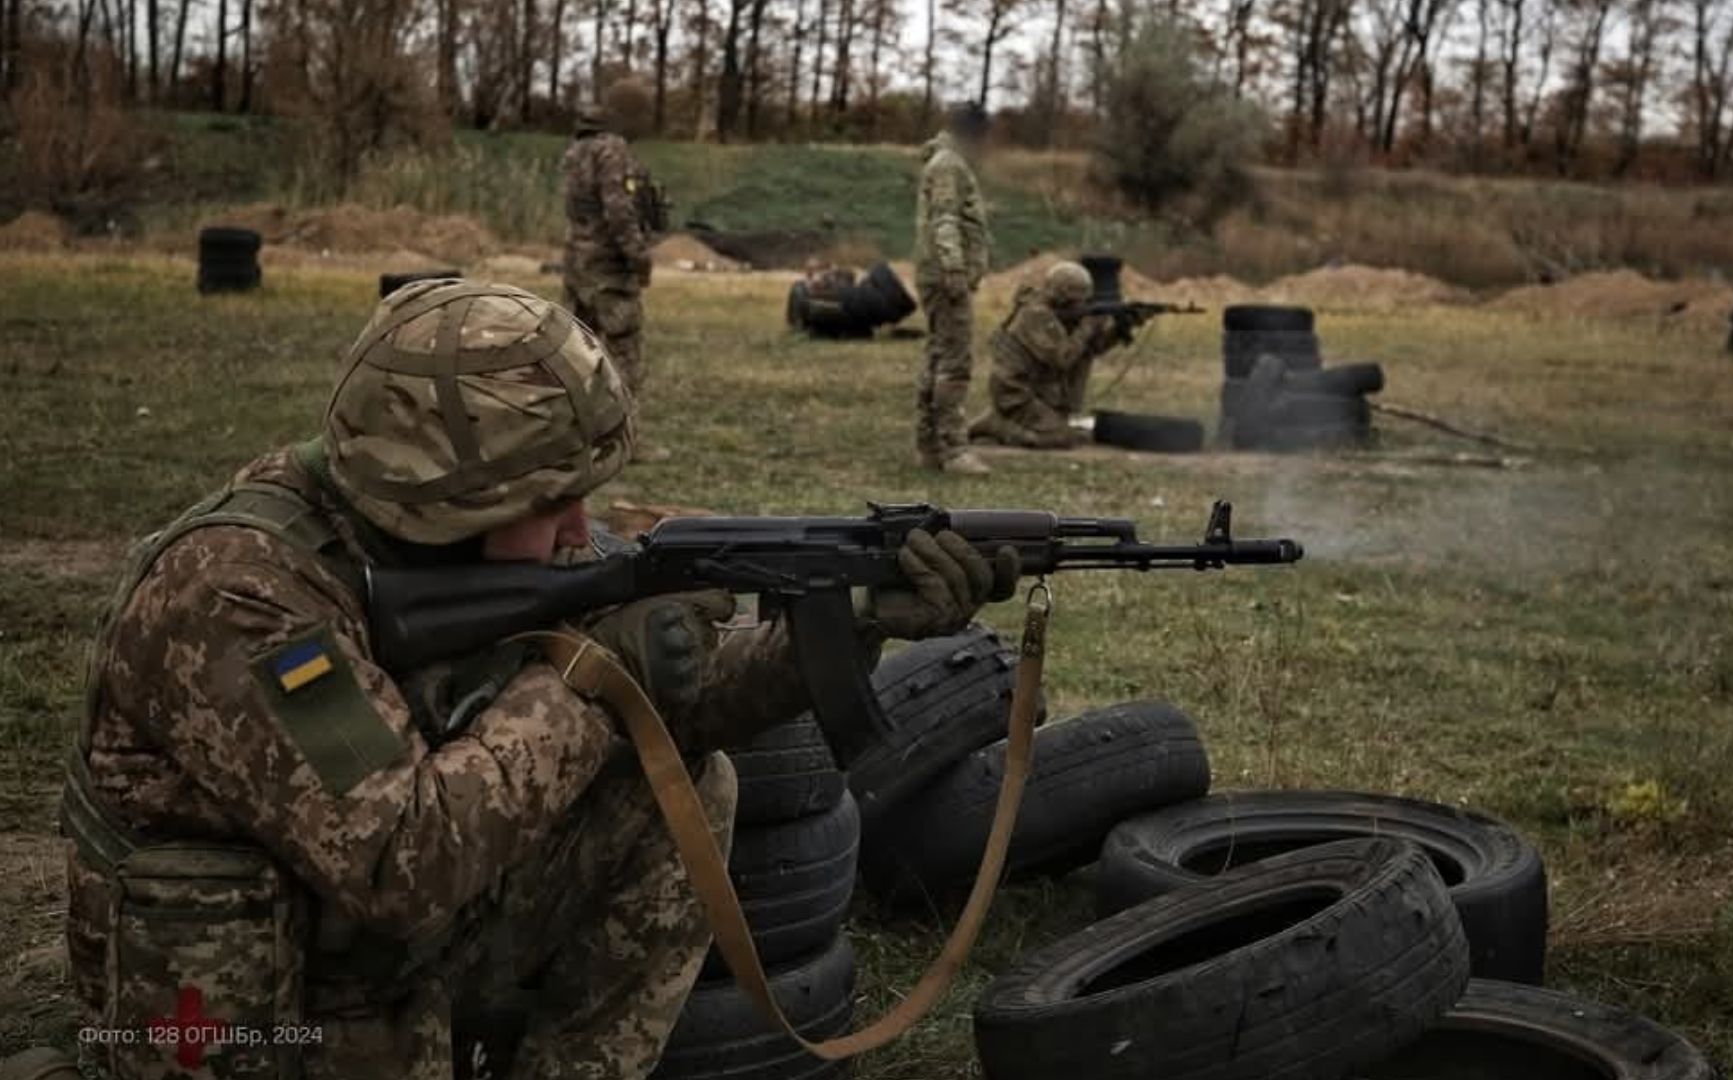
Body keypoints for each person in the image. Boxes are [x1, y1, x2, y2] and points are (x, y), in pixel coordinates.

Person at [62, 280, 1018, 1079]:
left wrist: (856, 625)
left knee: (680, 785)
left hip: (370, 945)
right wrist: (590, 675)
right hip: (248, 1012)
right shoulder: (235, 598)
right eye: (548, 502)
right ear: (439, 498)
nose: (577, 529)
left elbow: (675, 711)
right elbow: (403, 863)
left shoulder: (445, 548)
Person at [913, 102, 993, 475]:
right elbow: (944, 220)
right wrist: (956, 269)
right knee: (954, 362)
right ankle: (952, 450)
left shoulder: (946, 162)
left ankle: (929, 444)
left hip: (939, 274)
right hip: (946, 277)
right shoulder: (949, 165)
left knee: (938, 355)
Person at [969, 262, 1128, 449]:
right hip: (1015, 392)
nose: (1082, 305)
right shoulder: (1035, 314)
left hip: (1039, 391)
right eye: (1077, 300)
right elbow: (1062, 359)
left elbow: (1090, 350)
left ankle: (1007, 420)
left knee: (1077, 436)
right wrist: (1088, 326)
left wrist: (1120, 330)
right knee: (1061, 438)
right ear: (1061, 296)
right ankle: (997, 425)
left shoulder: (1056, 315)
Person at [560, 100, 660, 398]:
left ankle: (575, 430)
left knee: (575, 352)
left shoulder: (575, 151)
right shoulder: (612, 150)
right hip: (609, 268)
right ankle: (624, 438)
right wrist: (639, 257)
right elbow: (619, 211)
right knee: (624, 353)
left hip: (577, 264)